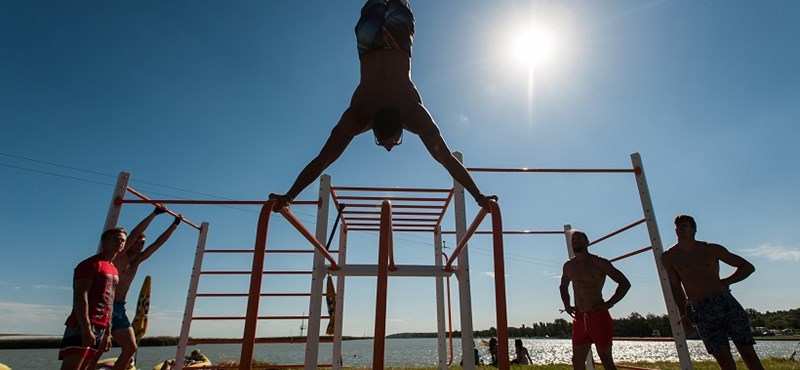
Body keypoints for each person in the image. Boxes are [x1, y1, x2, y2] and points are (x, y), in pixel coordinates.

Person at [268, 0, 496, 211]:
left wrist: (289, 196)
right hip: (369, 43)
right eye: (392, 144)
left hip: (397, 41)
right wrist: (288, 197)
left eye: (386, 144)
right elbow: (446, 159)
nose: (388, 148)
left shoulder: (370, 114)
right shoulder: (388, 113)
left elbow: (323, 160)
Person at [661, 214, 765, 370]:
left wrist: (726, 281)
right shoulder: (669, 257)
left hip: (724, 302)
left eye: (684, 225)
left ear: (693, 229)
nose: (680, 229)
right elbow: (676, 287)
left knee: (748, 353)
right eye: (677, 226)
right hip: (701, 308)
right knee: (724, 360)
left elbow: (747, 267)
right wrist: (683, 314)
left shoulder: (710, 249)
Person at [110, 206, 182, 370]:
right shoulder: (120, 256)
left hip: (120, 306)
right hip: (107, 303)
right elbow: (135, 233)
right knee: (99, 346)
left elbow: (158, 243)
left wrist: (175, 224)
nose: (140, 246)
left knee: (131, 348)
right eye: (137, 243)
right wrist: (154, 214)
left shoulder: (139, 259)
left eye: (142, 244)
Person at [559, 230, 631, 370]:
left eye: (579, 239)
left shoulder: (599, 262)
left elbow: (624, 283)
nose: (575, 242)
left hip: (598, 316)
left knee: (605, 358)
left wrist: (609, 303)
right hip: (579, 318)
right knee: (577, 360)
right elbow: (563, 287)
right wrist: (567, 305)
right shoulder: (569, 266)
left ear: (587, 242)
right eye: (573, 240)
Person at [59, 228, 125, 370]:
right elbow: (80, 296)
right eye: (116, 239)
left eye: (122, 240)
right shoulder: (90, 265)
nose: (120, 242)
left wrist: (107, 333)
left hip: (101, 325)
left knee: (86, 367)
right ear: (104, 243)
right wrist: (85, 327)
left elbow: (110, 301)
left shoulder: (113, 269)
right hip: (83, 323)